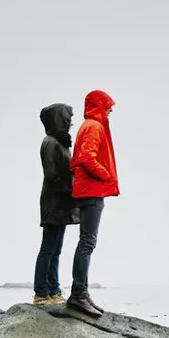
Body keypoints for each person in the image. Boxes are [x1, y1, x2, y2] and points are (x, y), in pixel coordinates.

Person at [67, 89, 118, 318]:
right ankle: (78, 294)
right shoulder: (94, 126)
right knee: (88, 242)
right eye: (108, 106)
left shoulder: (89, 125)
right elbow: (87, 157)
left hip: (87, 189)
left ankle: (82, 293)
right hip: (92, 190)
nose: (111, 110)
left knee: (87, 241)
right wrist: (105, 174)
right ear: (100, 105)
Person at [32, 103, 77, 305]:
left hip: (63, 203)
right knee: (48, 247)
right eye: (68, 119)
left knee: (56, 249)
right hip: (54, 202)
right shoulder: (50, 142)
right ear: (59, 120)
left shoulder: (62, 143)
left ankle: (54, 290)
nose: (71, 123)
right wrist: (71, 190)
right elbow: (51, 175)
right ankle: (41, 292)